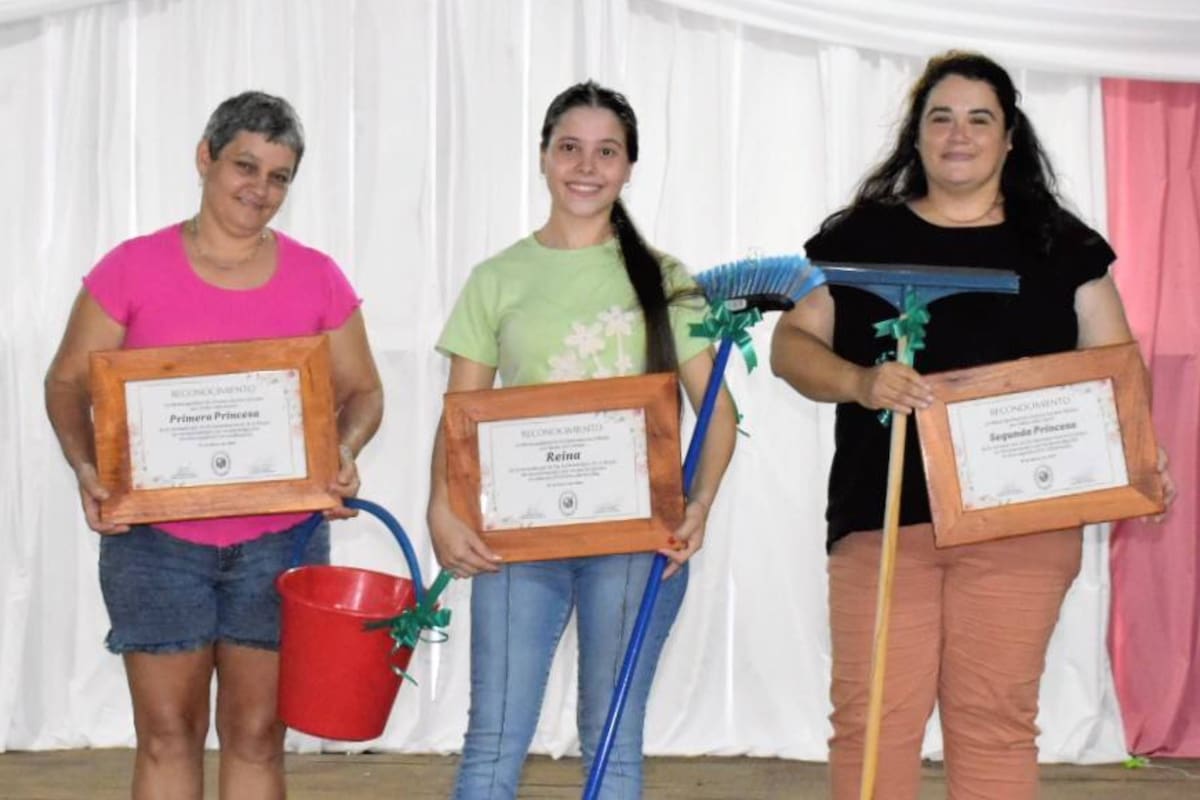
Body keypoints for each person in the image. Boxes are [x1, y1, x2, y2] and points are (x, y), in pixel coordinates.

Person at [769, 51, 1175, 800]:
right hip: (882, 518)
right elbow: (791, 346)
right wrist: (860, 381)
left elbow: (1116, 370)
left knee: (993, 721)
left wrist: (1140, 457)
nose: (959, 135)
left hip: (1022, 526)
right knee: (872, 723)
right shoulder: (859, 239)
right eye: (941, 118)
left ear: (1009, 137)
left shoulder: (1061, 246)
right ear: (917, 135)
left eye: (979, 119)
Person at [44, 91, 384, 800]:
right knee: (167, 734)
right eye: (245, 166)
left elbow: (364, 392)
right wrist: (86, 467)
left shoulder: (317, 275)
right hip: (154, 542)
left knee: (258, 736)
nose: (260, 189)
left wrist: (344, 452)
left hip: (280, 541)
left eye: (279, 176)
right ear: (205, 158)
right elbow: (66, 382)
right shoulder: (130, 268)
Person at [427, 80, 736, 799]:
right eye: (569, 148)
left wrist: (699, 505)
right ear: (543, 156)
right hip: (516, 540)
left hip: (637, 541)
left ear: (629, 167)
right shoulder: (496, 278)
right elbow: (460, 414)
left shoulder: (667, 279)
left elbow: (719, 413)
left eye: (606, 152)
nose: (586, 167)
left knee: (613, 745)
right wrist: (441, 506)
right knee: (493, 743)